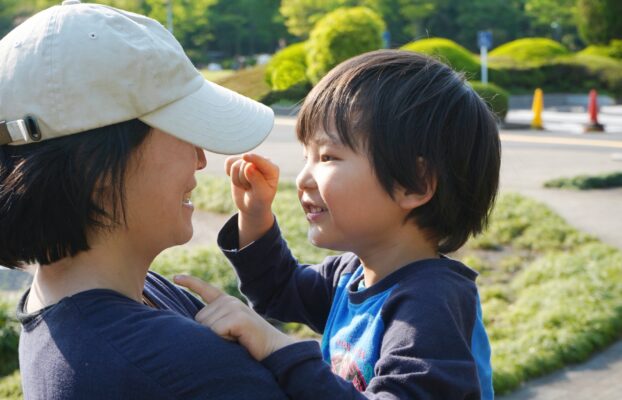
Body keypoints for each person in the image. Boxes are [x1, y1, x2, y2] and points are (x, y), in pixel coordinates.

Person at [0, 1, 289, 399]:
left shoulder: (78, 306)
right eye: (182, 130)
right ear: (94, 169)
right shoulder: (179, 366)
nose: (202, 158)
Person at [175, 50, 501, 399]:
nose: (303, 179)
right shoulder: (350, 275)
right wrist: (255, 217)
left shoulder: (432, 302)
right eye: (306, 158)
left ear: (415, 184)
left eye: (328, 157)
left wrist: (278, 348)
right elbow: (278, 289)